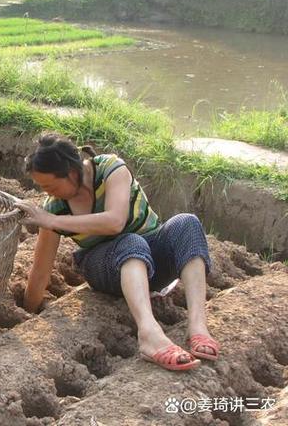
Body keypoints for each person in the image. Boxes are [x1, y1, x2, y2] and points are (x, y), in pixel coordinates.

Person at [15, 133, 220, 371]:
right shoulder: (54, 209)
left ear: (71, 173)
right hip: (106, 269)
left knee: (187, 223)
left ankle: (198, 326)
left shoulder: (111, 168)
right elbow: (41, 270)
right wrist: (28, 312)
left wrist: (51, 220)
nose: (47, 193)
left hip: (152, 256)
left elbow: (115, 221)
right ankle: (149, 334)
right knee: (130, 243)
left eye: (49, 185)